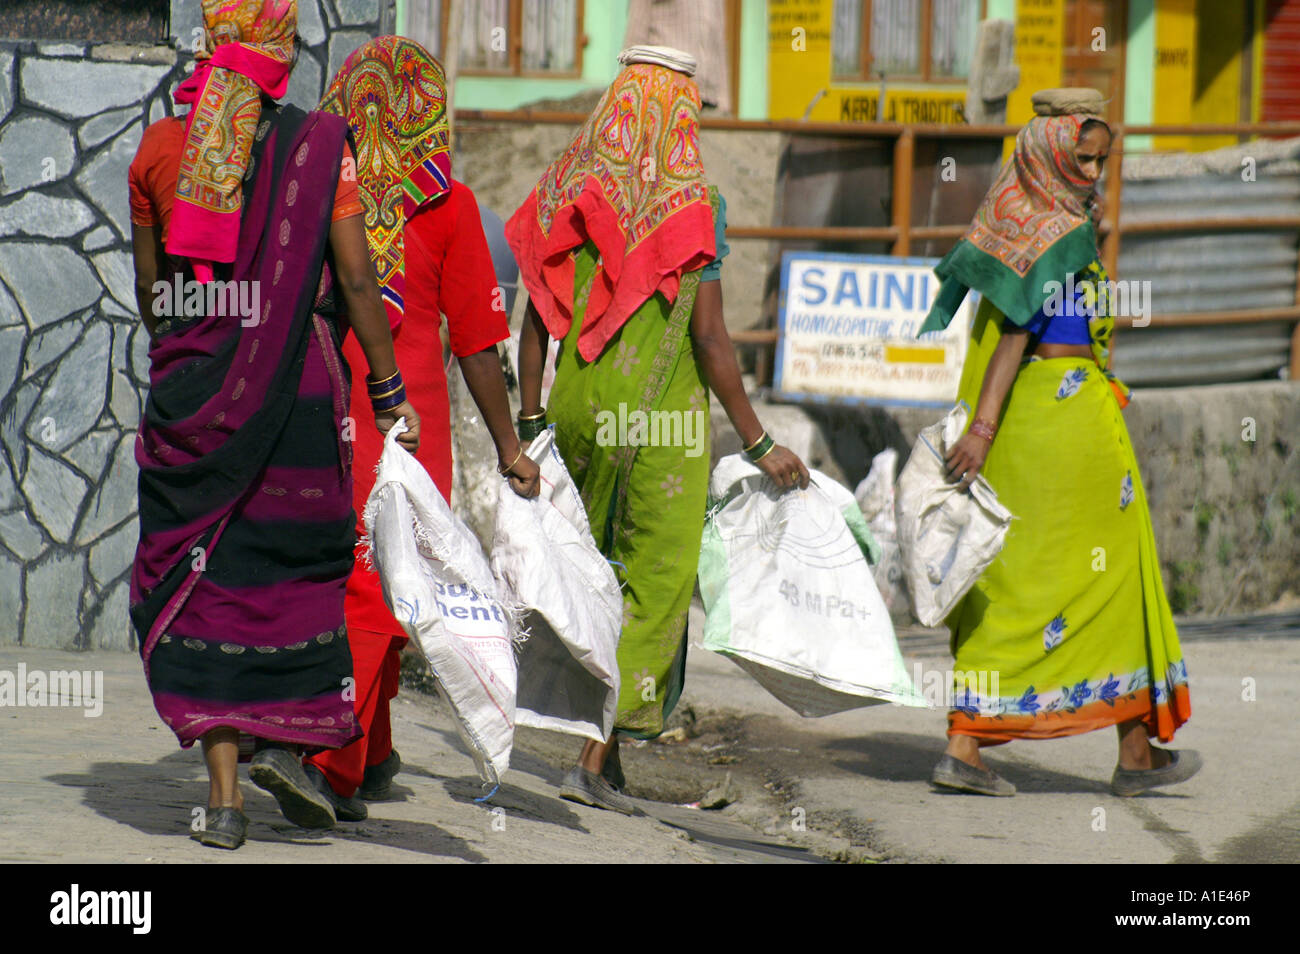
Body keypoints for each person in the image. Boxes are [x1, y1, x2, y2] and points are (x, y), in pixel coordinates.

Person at [127, 0, 421, 850]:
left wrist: (202, 354)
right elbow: (359, 280)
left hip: (192, 407)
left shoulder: (156, 150)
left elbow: (155, 299)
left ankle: (223, 801)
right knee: (296, 577)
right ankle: (290, 746)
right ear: (279, 51)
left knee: (209, 587)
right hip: (297, 402)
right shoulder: (321, 147)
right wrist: (389, 385)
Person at [509, 46, 809, 813]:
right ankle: (592, 753)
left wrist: (532, 415)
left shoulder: (569, 184)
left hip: (575, 408)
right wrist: (758, 441)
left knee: (595, 565)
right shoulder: (694, 203)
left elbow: (536, 306)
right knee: (656, 582)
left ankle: (600, 763)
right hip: (658, 426)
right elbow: (710, 340)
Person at [918, 87, 1198, 798]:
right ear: (1053, 151)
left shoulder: (1009, 211)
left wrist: (987, 429)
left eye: (1102, 160)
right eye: (1084, 157)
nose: (1095, 173)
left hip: (1019, 426)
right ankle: (1129, 752)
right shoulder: (1059, 230)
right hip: (1067, 424)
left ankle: (970, 743)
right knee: (1118, 572)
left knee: (1013, 578)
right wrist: (981, 428)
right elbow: (1017, 329)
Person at [303, 36, 540, 821]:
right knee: (380, 592)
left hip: (316, 412)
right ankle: (332, 768)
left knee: (360, 581)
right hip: (404, 430)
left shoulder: (317, 192)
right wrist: (509, 447)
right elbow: (477, 343)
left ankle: (371, 750)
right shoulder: (450, 204)